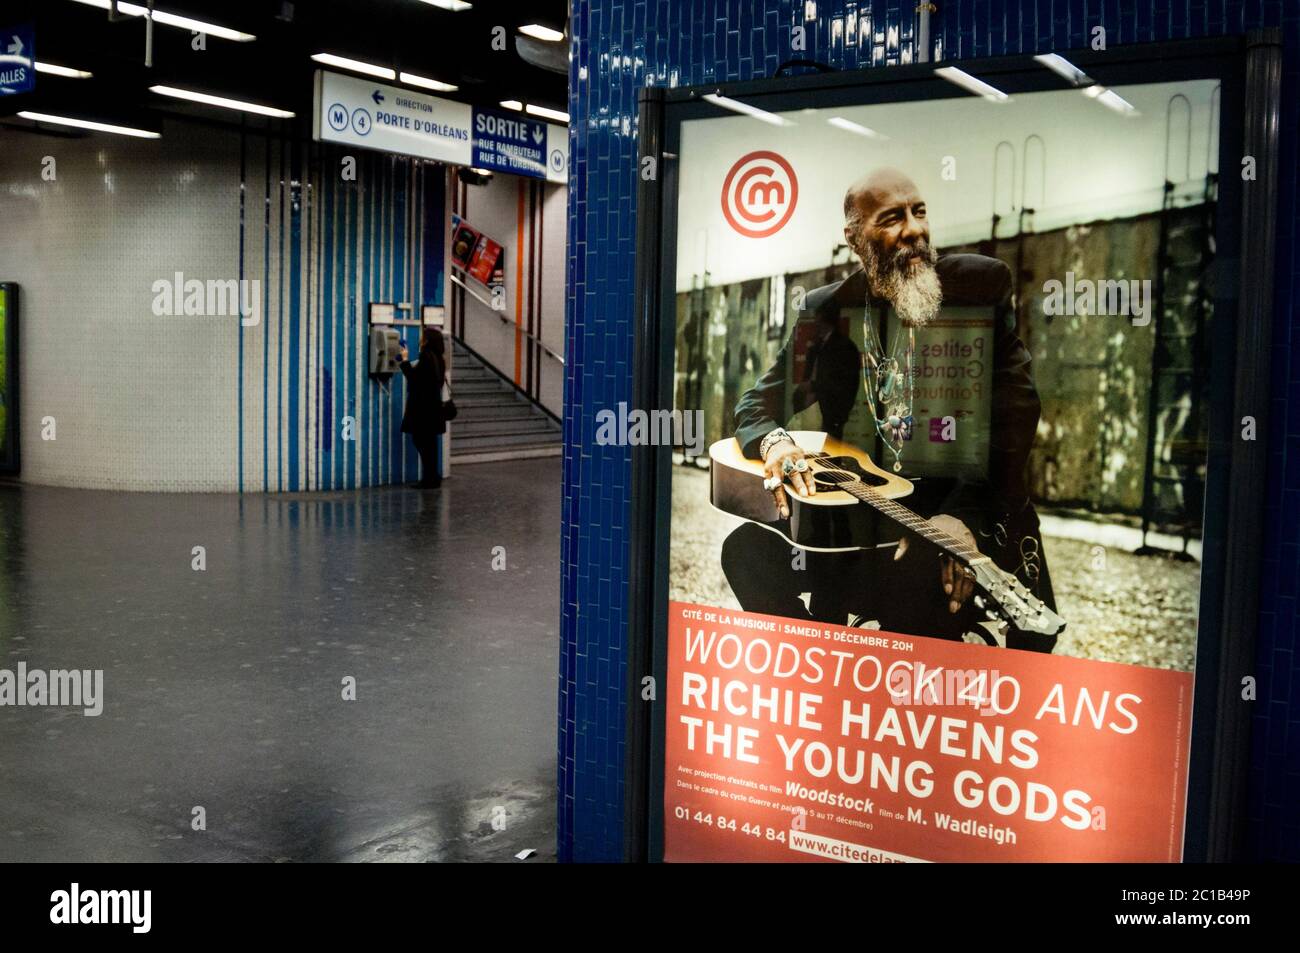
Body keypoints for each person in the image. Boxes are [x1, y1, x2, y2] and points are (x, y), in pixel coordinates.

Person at [720, 167, 1057, 652]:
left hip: (969, 508)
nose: (914, 228)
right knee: (745, 550)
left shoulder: (978, 287)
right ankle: (826, 659)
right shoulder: (827, 312)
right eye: (892, 218)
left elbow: (1016, 414)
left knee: (926, 590)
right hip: (870, 524)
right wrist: (778, 442)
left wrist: (958, 516)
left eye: (919, 212)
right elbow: (759, 403)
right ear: (855, 237)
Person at [398, 327, 448, 489]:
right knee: (430, 444)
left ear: (427, 340)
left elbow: (414, 379)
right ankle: (433, 477)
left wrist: (404, 361)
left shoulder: (426, 356)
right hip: (433, 406)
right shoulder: (439, 358)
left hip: (423, 408)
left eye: (423, 336)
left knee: (421, 442)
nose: (420, 339)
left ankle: (429, 479)